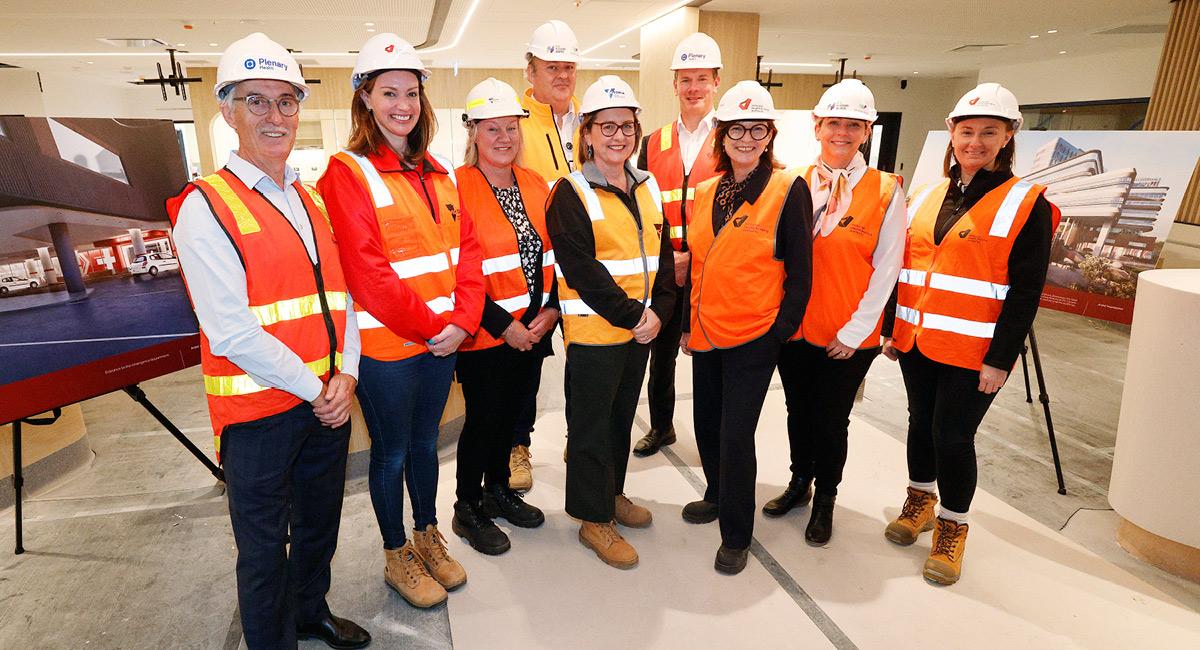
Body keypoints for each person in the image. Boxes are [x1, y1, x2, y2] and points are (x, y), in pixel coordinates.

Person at [168, 33, 370, 649]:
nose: (274, 116)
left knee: (317, 531)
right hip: (259, 417)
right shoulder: (205, 207)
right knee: (262, 552)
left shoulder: (309, 200)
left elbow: (343, 300)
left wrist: (349, 377)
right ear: (227, 112)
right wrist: (321, 389)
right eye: (256, 101)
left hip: (325, 404)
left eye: (286, 101)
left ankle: (311, 611)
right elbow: (230, 329)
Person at [316, 34, 484, 608]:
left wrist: (463, 320)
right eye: (388, 92)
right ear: (364, 98)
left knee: (424, 447)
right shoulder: (347, 173)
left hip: (442, 343)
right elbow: (367, 273)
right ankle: (396, 554)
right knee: (390, 453)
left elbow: (469, 254)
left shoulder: (441, 173)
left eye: (411, 92)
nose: (402, 105)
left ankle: (427, 534)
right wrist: (436, 328)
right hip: (390, 350)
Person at [882, 82, 1054, 585]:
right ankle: (919, 502)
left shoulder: (1027, 203)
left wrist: (1001, 359)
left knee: (952, 437)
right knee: (919, 423)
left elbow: (1026, 291)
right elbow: (906, 266)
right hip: (917, 340)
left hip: (974, 351)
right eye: (966, 131)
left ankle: (952, 527)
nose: (975, 141)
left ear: (1008, 138)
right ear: (952, 135)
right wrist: (894, 327)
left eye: (988, 132)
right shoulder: (929, 193)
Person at [763, 79, 906, 547]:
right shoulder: (793, 181)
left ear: (867, 131)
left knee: (831, 419)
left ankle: (826, 499)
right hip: (795, 330)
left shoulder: (886, 190)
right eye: (833, 124)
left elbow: (887, 269)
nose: (841, 133)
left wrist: (858, 329)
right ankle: (799, 482)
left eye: (853, 125)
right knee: (796, 412)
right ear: (816, 126)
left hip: (847, 335)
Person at [680, 80, 813, 575]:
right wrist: (689, 326)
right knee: (708, 426)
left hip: (756, 335)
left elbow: (801, 270)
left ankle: (736, 534)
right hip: (707, 330)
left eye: (757, 128)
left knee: (737, 434)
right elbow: (697, 263)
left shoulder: (786, 188)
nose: (746, 138)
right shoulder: (706, 191)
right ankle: (717, 495)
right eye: (737, 128)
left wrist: (780, 332)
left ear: (769, 134)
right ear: (722, 133)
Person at [547, 75, 675, 569]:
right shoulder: (571, 192)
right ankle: (592, 518)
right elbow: (583, 270)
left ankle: (612, 494)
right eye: (607, 127)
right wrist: (635, 316)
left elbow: (661, 256)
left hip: (639, 332)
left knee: (621, 421)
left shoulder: (647, 187)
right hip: (598, 334)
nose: (617, 136)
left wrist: (660, 313)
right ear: (588, 132)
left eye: (626, 126)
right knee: (591, 428)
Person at [450, 78, 556, 555]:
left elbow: (553, 257)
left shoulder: (536, 184)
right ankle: (467, 505)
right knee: (484, 420)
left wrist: (549, 311)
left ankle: (498, 490)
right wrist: (503, 325)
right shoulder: (455, 187)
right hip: (487, 333)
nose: (503, 138)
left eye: (511, 128)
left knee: (513, 417)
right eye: (492, 128)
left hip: (533, 329)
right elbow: (457, 270)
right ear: (473, 132)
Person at [633, 32, 723, 458]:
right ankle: (662, 426)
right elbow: (644, 204)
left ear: (716, 81)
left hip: (712, 267)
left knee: (711, 357)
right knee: (661, 356)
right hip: (667, 268)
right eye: (685, 79)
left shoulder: (730, 137)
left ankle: (718, 437)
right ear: (674, 85)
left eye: (701, 79)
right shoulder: (652, 141)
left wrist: (696, 255)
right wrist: (672, 259)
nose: (693, 88)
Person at [509, 18, 583, 490]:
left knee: (588, 354)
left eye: (569, 67)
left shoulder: (591, 118)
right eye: (550, 66)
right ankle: (519, 446)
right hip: (533, 263)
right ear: (530, 70)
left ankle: (583, 439)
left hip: (587, 262)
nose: (561, 75)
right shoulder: (513, 121)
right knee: (527, 360)